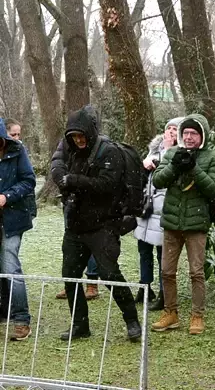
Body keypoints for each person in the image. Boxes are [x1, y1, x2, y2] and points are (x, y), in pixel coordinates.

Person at [52, 106, 141, 341]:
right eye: (74, 137)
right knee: (70, 275)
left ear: (90, 132)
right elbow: (57, 163)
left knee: (109, 274)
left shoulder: (109, 152)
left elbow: (107, 185)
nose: (79, 141)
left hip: (103, 224)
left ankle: (132, 320)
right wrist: (61, 177)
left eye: (81, 136)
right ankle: (80, 325)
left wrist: (74, 180)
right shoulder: (71, 151)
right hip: (76, 224)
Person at [151, 114, 215, 335]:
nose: (189, 137)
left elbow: (214, 189)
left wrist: (193, 168)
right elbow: (158, 180)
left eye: (194, 133)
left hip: (196, 224)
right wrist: (174, 166)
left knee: (196, 273)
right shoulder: (171, 153)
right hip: (172, 222)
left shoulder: (213, 157)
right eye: (186, 133)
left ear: (202, 136)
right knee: (166, 272)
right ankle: (170, 313)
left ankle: (197, 316)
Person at [51, 108, 102, 302]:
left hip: (92, 203)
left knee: (92, 243)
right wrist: (64, 181)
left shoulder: (100, 146)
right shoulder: (67, 142)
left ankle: (92, 283)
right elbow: (57, 162)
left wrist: (80, 182)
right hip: (71, 200)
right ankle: (71, 284)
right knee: (70, 246)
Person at [134, 117, 182, 312]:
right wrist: (144, 165)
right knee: (143, 249)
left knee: (163, 254)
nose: (170, 132)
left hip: (165, 208)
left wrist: (166, 154)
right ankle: (144, 287)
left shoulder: (180, 153)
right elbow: (144, 176)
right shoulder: (153, 149)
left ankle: (164, 292)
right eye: (168, 128)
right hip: (147, 206)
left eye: (175, 129)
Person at [0, 118, 35, 341]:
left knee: (11, 266)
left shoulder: (17, 150)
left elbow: (28, 180)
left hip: (12, 218)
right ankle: (4, 311)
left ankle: (22, 320)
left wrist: (7, 196)